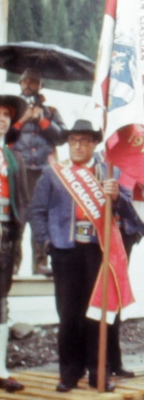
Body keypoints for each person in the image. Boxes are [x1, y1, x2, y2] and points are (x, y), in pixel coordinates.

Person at [30, 120, 139, 392]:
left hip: (98, 251)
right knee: (68, 314)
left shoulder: (108, 172)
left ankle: (98, 372)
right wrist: (45, 243)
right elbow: (37, 211)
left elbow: (129, 213)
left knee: (98, 313)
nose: (78, 146)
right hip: (65, 252)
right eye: (73, 141)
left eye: (84, 141)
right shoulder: (53, 173)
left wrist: (118, 197)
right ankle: (69, 372)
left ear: (93, 144)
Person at [10, 68, 66, 276]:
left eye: (34, 81)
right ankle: (12, 263)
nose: (29, 84)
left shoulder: (51, 111)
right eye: (26, 80)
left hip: (44, 172)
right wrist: (22, 120)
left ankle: (40, 262)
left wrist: (42, 121)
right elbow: (4, 135)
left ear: (41, 85)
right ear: (19, 82)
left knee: (40, 217)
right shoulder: (12, 108)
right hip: (18, 170)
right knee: (17, 217)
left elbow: (62, 137)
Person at [0, 96, 29, 393]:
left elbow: (22, 204)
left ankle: (1, 369)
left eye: (6, 114)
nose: (2, 118)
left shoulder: (14, 158)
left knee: (1, 301)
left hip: (4, 236)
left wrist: (16, 239)